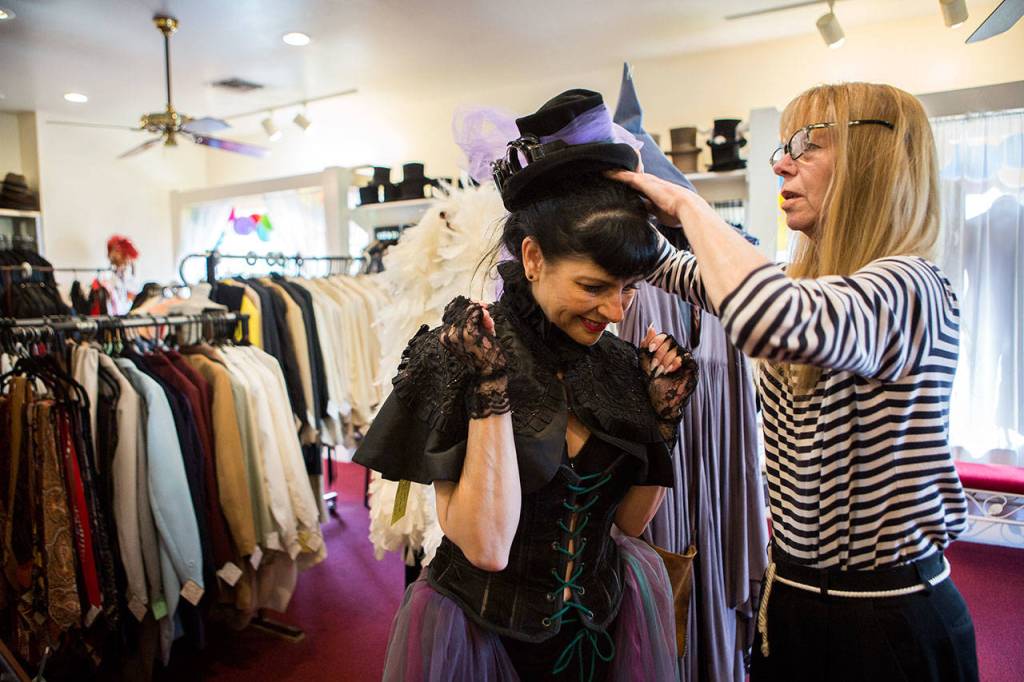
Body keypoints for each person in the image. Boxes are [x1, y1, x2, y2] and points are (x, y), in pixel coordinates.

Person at [611, 82, 978, 681]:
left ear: (875, 158)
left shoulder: (914, 287)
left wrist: (688, 207)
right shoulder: (813, 287)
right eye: (784, 145)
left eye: (807, 144)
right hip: (796, 600)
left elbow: (766, 316)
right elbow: (679, 270)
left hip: (886, 619)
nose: (781, 161)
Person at [354, 90, 697, 681]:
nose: (616, 311)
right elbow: (485, 547)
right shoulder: (462, 353)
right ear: (533, 257)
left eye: (630, 289)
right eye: (594, 287)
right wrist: (490, 394)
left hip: (605, 627)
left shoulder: (617, 363)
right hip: (483, 641)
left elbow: (630, 525)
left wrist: (664, 423)